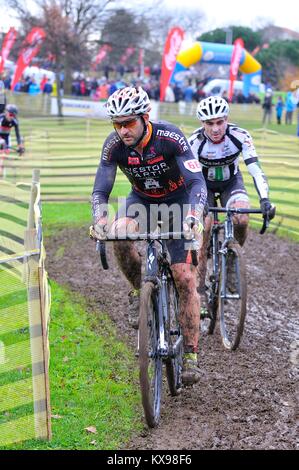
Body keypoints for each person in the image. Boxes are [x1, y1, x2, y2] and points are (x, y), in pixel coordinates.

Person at [90, 86, 207, 386]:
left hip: (179, 203)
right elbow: (101, 190)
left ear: (145, 117)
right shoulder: (114, 145)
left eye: (128, 122)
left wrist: (193, 215)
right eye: (117, 123)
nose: (122, 130)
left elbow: (196, 182)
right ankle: (137, 292)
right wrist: (99, 218)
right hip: (141, 201)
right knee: (117, 233)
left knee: (184, 277)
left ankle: (191, 353)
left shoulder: (170, 137)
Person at [188, 96, 275, 296]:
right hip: (203, 185)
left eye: (220, 122)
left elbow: (255, 169)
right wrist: (198, 205)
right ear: (202, 123)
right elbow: (190, 179)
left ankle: (232, 261)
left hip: (231, 181)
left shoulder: (240, 135)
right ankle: (200, 283)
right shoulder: (194, 142)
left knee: (242, 218)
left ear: (227, 119)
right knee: (205, 225)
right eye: (210, 123)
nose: (216, 128)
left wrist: (264, 199)